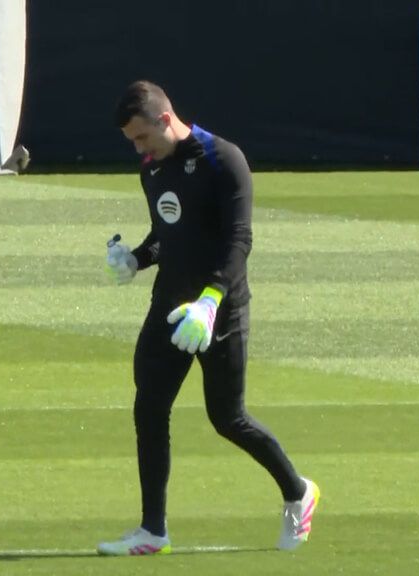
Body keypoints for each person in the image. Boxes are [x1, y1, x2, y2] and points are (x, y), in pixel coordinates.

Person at [97, 81, 320, 556]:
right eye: (133, 142)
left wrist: (211, 300)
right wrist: (136, 258)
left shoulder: (224, 160)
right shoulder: (152, 169)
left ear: (164, 118)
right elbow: (168, 233)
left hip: (219, 309)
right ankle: (152, 531)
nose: (140, 149)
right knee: (149, 407)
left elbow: (239, 239)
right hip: (169, 306)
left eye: (142, 138)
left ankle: (298, 491)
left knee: (228, 418)